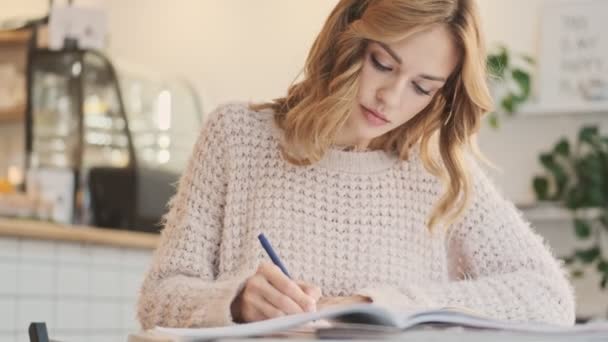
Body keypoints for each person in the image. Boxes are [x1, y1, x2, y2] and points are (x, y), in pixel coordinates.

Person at [137, 0, 575, 329]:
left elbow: (549, 298)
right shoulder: (236, 138)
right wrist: (234, 302)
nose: (392, 97)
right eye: (382, 64)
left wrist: (382, 304)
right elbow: (158, 299)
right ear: (347, 40)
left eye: (422, 88)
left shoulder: (437, 173)